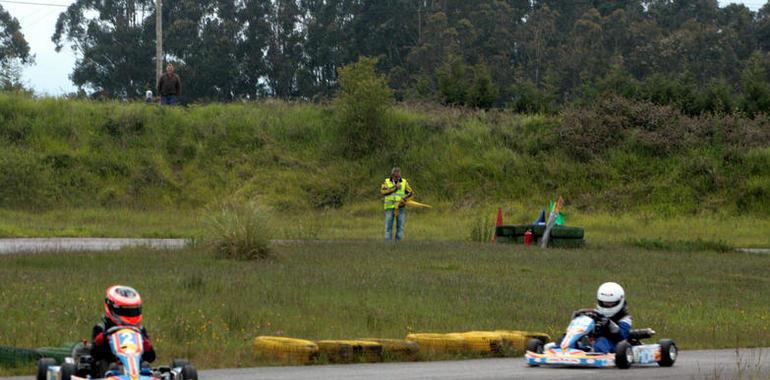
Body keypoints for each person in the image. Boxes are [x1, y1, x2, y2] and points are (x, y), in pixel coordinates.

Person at [90, 285, 156, 375]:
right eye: (125, 311)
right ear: (111, 307)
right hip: (108, 367)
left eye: (132, 310)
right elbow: (94, 354)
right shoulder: (101, 328)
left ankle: (141, 374)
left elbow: (151, 357)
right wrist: (103, 338)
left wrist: (146, 344)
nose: (129, 314)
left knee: (145, 365)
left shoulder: (140, 330)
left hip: (136, 368)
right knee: (104, 363)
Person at [591, 282, 632, 353]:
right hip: (594, 341)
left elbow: (622, 337)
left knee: (601, 342)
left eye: (610, 303)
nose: (607, 305)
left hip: (615, 345)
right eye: (604, 303)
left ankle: (597, 353)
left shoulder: (625, 318)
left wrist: (609, 324)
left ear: (619, 301)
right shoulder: (596, 314)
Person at [380, 167, 413, 241]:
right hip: (390, 207)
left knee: (400, 227)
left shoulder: (404, 182)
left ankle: (399, 243)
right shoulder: (386, 181)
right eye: (396, 175)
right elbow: (383, 192)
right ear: (392, 175)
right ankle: (388, 243)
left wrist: (404, 198)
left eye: (399, 175)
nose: (398, 177)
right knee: (388, 227)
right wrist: (395, 188)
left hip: (401, 207)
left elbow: (410, 192)